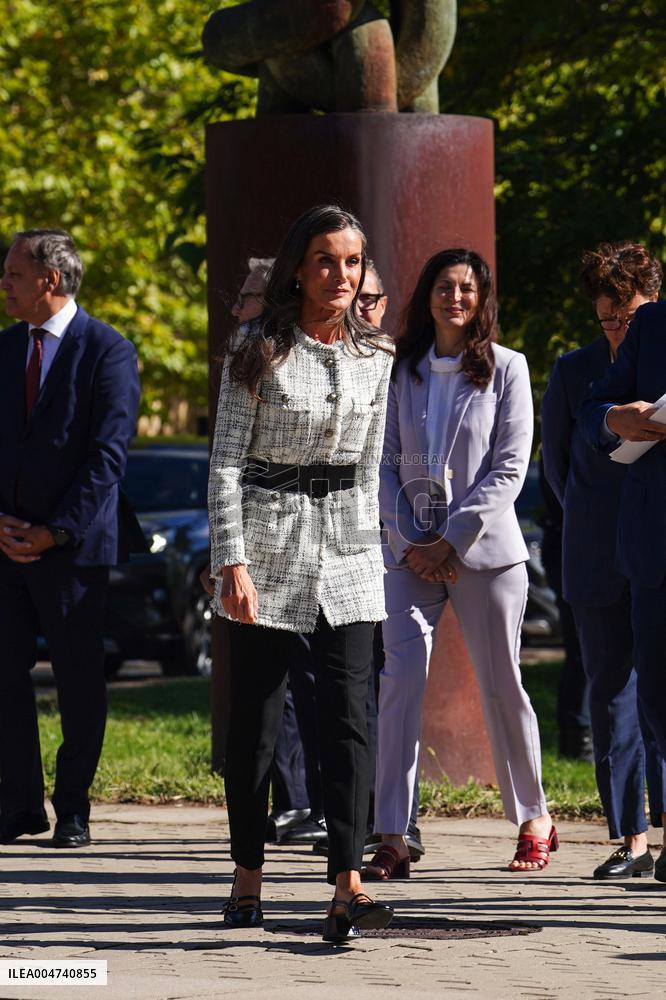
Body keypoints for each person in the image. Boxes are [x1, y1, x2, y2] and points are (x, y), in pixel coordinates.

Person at [208, 204, 395, 942]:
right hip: (268, 550)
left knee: (350, 722)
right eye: (325, 260)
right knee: (254, 727)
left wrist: (374, 552)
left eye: (351, 262)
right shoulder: (256, 348)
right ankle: (247, 874)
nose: (341, 276)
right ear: (297, 268)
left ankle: (347, 884)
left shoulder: (376, 356)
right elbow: (225, 465)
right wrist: (232, 561)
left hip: (349, 554)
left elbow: (374, 463)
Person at [367, 248, 556, 879]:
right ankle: (392, 832)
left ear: (482, 300)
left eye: (467, 289)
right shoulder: (401, 369)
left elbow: (510, 470)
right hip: (408, 555)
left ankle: (533, 818)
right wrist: (413, 540)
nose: (456, 297)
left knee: (501, 682)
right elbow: (383, 463)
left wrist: (449, 539)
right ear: (427, 295)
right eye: (445, 286)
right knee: (398, 685)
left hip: (486, 556)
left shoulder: (509, 369)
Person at [0, 228, 140, 848]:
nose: (3, 285)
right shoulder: (4, 350)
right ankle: (19, 805)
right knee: (6, 675)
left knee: (79, 681)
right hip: (4, 548)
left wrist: (55, 531)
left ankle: (73, 807)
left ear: (48, 281)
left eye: (12, 275)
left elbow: (107, 457)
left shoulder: (107, 351)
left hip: (73, 550)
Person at [542, 241, 666, 879]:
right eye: (607, 319)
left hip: (656, 544)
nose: (618, 329)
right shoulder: (574, 371)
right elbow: (556, 472)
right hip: (594, 550)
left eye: (628, 316)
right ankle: (631, 837)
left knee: (660, 695)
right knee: (609, 691)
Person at [578, 265, 666, 882]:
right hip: (655, 548)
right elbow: (592, 406)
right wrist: (615, 418)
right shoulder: (654, 324)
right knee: (658, 701)